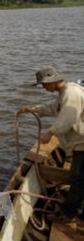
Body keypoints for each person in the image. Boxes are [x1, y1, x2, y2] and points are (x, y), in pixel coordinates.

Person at [19, 65, 84, 223]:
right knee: (79, 177)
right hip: (79, 142)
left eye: (44, 84)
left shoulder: (72, 93)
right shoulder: (66, 92)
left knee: (77, 178)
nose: (44, 87)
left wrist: (51, 133)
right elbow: (54, 108)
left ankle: (69, 213)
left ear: (52, 81)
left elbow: (68, 117)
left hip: (82, 143)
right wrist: (33, 110)